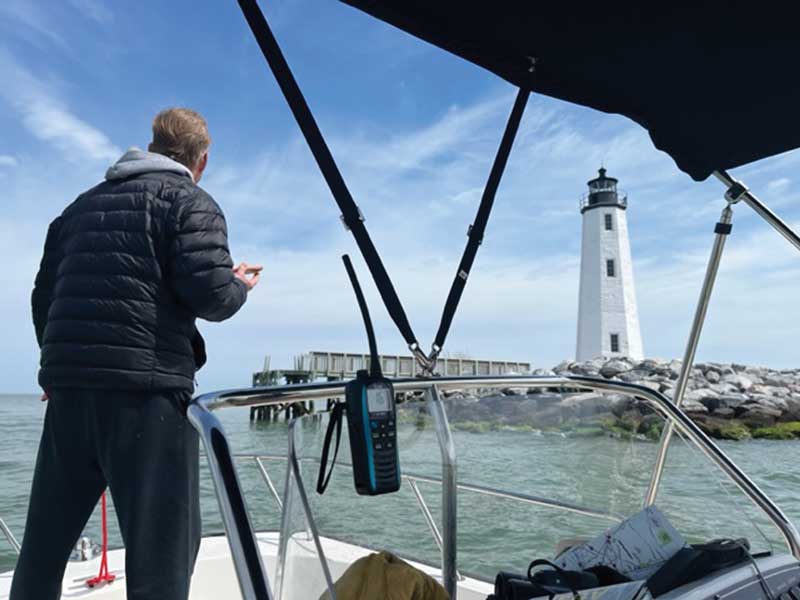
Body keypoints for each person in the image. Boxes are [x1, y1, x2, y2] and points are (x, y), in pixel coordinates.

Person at [10, 108, 261, 600]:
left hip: (69, 396)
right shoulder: (192, 203)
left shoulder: (76, 210)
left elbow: (45, 297)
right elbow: (210, 297)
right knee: (161, 561)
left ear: (151, 146)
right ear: (201, 159)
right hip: (148, 398)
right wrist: (238, 285)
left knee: (42, 549)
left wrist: (55, 370)